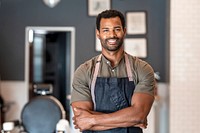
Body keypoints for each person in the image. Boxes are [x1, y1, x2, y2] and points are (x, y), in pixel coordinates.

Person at [71, 9, 156, 133]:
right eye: (106, 30)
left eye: (117, 29)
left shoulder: (142, 69)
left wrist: (92, 120)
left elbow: (139, 115)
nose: (112, 35)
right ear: (98, 34)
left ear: (124, 31)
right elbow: (81, 122)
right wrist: (130, 120)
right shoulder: (84, 71)